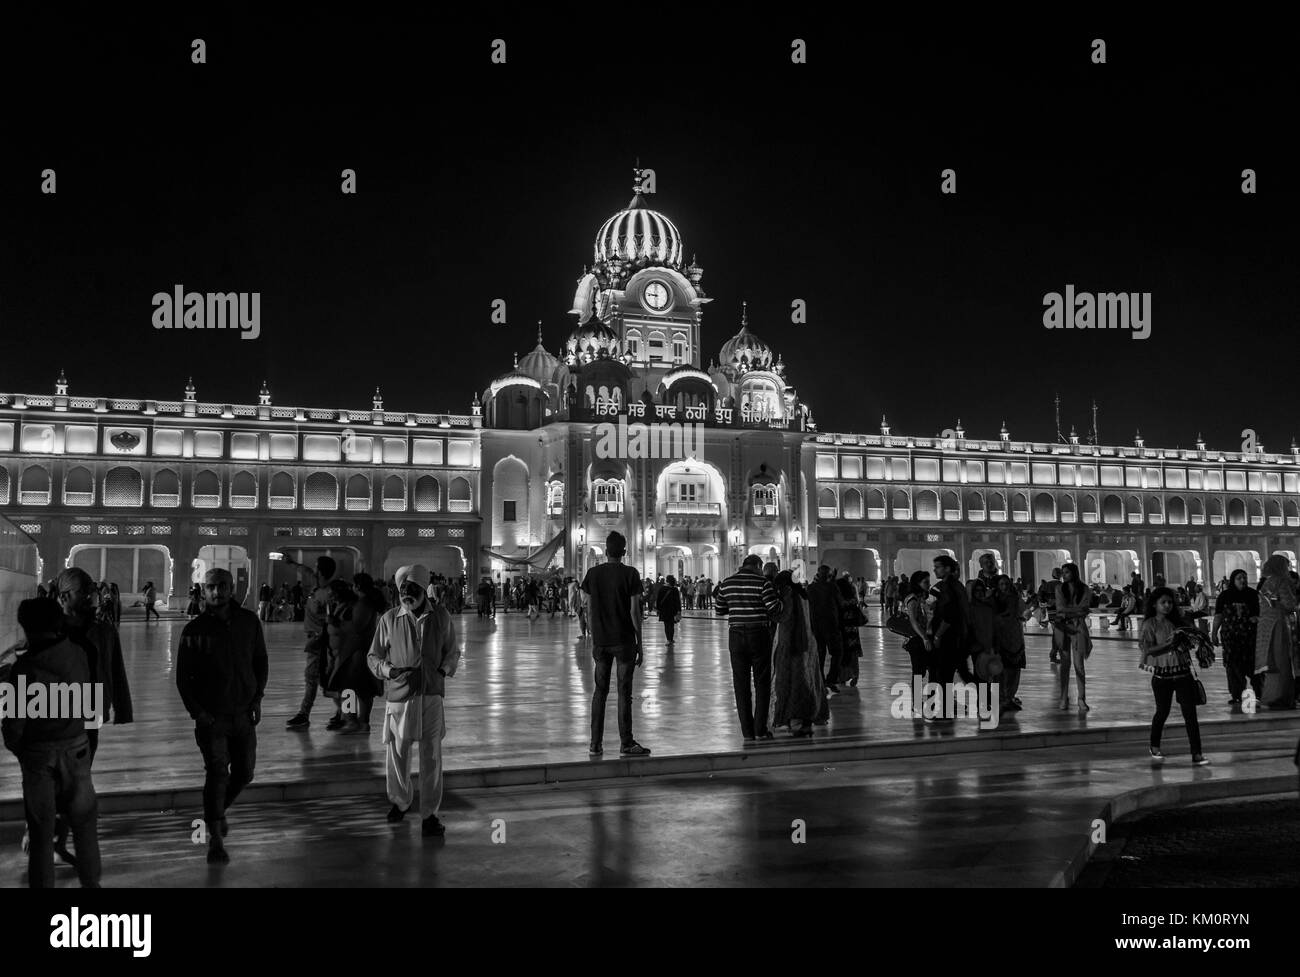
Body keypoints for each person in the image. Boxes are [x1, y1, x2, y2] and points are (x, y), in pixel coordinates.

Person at [2, 598, 102, 888]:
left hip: (38, 757)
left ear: (25, 627)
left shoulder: (23, 670)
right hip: (77, 750)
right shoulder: (80, 654)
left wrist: (24, 751)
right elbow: (89, 709)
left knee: (41, 837)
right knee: (85, 829)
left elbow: (12, 730)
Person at [175, 568, 268, 863]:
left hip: (242, 713)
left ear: (232, 589)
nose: (218, 592)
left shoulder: (248, 622)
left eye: (223, 586)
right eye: (212, 587)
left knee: (244, 772)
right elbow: (183, 679)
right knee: (216, 774)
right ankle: (214, 838)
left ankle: (215, 814)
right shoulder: (194, 630)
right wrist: (198, 713)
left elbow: (260, 661)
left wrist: (257, 698)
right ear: (204, 590)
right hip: (212, 717)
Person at [367, 564, 462, 836]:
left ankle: (430, 814)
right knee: (397, 753)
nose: (406, 596)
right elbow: (373, 656)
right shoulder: (389, 619)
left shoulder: (440, 616)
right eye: (403, 591)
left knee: (432, 756)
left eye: (412, 591)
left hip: (431, 696)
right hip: (400, 698)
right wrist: (388, 671)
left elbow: (452, 651)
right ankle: (400, 802)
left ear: (424, 591)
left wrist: (442, 671)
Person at [581, 533, 650, 756]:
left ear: (606, 550)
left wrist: (593, 635)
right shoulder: (630, 573)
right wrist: (640, 641)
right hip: (624, 641)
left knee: (599, 692)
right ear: (624, 551)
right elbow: (634, 611)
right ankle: (626, 742)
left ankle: (595, 744)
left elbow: (589, 609)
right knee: (624, 692)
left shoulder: (593, 574)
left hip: (601, 641)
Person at [715, 554, 783, 741]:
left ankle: (747, 731)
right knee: (761, 682)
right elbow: (774, 608)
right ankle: (760, 729)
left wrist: (737, 605)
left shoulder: (727, 583)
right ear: (758, 566)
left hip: (736, 635)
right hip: (759, 634)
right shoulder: (763, 583)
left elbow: (719, 609)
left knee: (740, 684)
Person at [1139, 587, 1209, 765]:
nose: (1167, 605)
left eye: (1170, 602)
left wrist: (1191, 640)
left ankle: (1197, 753)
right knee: (1162, 712)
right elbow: (1147, 650)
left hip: (1182, 673)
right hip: (1162, 676)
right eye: (1163, 602)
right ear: (1155, 604)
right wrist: (1168, 645)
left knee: (1190, 714)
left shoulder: (1180, 622)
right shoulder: (1150, 625)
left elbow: (1192, 640)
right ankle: (1154, 745)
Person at [769, 569, 823, 736]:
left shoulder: (788, 594)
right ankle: (807, 721)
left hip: (792, 644)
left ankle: (796, 722)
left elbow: (784, 617)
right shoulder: (804, 594)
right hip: (809, 644)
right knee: (808, 682)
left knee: (792, 683)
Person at [285, 556, 337, 730]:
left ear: (320, 572)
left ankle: (347, 715)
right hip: (316, 640)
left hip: (323, 642)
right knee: (320, 680)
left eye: (316, 568)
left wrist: (321, 637)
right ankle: (344, 715)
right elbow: (306, 571)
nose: (312, 570)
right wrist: (292, 563)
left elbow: (333, 620)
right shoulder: (317, 587)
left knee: (339, 681)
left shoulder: (329, 594)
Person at [1255, 555, 1297, 709]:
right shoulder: (1282, 581)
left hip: (1267, 627)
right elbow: (1289, 604)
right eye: (1287, 566)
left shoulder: (1267, 582)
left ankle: (1270, 696)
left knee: (1272, 662)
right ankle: (1282, 698)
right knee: (1283, 662)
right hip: (1280, 626)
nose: (1288, 569)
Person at [1213, 569, 1260, 705]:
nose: (1242, 580)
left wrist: (1256, 618)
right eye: (1239, 578)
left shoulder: (1252, 595)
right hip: (1231, 638)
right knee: (1233, 666)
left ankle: (1259, 692)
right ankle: (1237, 694)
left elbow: (1260, 613)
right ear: (1233, 580)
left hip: (1249, 637)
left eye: (1244, 578)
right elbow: (1218, 616)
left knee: (1253, 665)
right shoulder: (1225, 596)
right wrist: (1214, 633)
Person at [928, 555, 966, 723]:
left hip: (947, 637)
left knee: (942, 674)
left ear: (948, 569)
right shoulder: (957, 585)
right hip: (956, 636)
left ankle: (944, 711)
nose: (935, 570)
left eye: (938, 567)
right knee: (946, 675)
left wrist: (937, 635)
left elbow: (949, 615)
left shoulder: (947, 587)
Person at [1056, 562, 1092, 712]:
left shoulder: (1084, 589)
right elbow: (1060, 609)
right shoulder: (1059, 589)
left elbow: (1084, 608)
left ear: (1074, 573)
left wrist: (1069, 611)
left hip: (1078, 629)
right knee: (1065, 665)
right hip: (1063, 628)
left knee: (1079, 666)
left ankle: (1081, 698)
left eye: (1067, 572)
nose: (1064, 575)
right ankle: (1064, 697)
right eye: (1063, 573)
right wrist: (1076, 611)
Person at [992, 574, 1029, 712]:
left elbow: (1024, 611)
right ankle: (1000, 697)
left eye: (1006, 584)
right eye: (1001, 584)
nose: (1004, 587)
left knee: (1014, 669)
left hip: (1015, 637)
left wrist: (1025, 615)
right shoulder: (994, 600)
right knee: (1000, 670)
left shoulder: (1015, 599)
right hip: (1001, 638)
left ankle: (1009, 696)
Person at [807, 564, 845, 694]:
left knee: (820, 655)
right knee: (837, 653)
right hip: (831, 625)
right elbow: (841, 603)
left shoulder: (811, 588)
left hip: (816, 626)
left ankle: (820, 680)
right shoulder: (832, 587)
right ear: (828, 575)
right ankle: (831, 679)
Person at [902, 570, 932, 694]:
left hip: (923, 637)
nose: (928, 585)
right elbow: (913, 621)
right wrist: (924, 638)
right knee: (918, 672)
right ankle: (917, 702)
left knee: (926, 669)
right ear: (917, 583)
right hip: (916, 639)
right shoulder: (912, 599)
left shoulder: (921, 598)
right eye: (926, 582)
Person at [837, 575, 865, 687]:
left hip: (842, 630)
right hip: (852, 630)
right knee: (853, 654)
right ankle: (854, 675)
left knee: (842, 654)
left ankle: (843, 676)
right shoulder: (852, 599)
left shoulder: (839, 601)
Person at [657, 575, 682, 647]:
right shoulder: (675, 589)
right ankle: (670, 639)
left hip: (664, 610)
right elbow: (678, 601)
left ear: (666, 580)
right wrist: (679, 610)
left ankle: (668, 639)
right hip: (673, 610)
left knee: (666, 625)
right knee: (671, 624)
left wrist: (658, 609)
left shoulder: (662, 588)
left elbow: (659, 599)